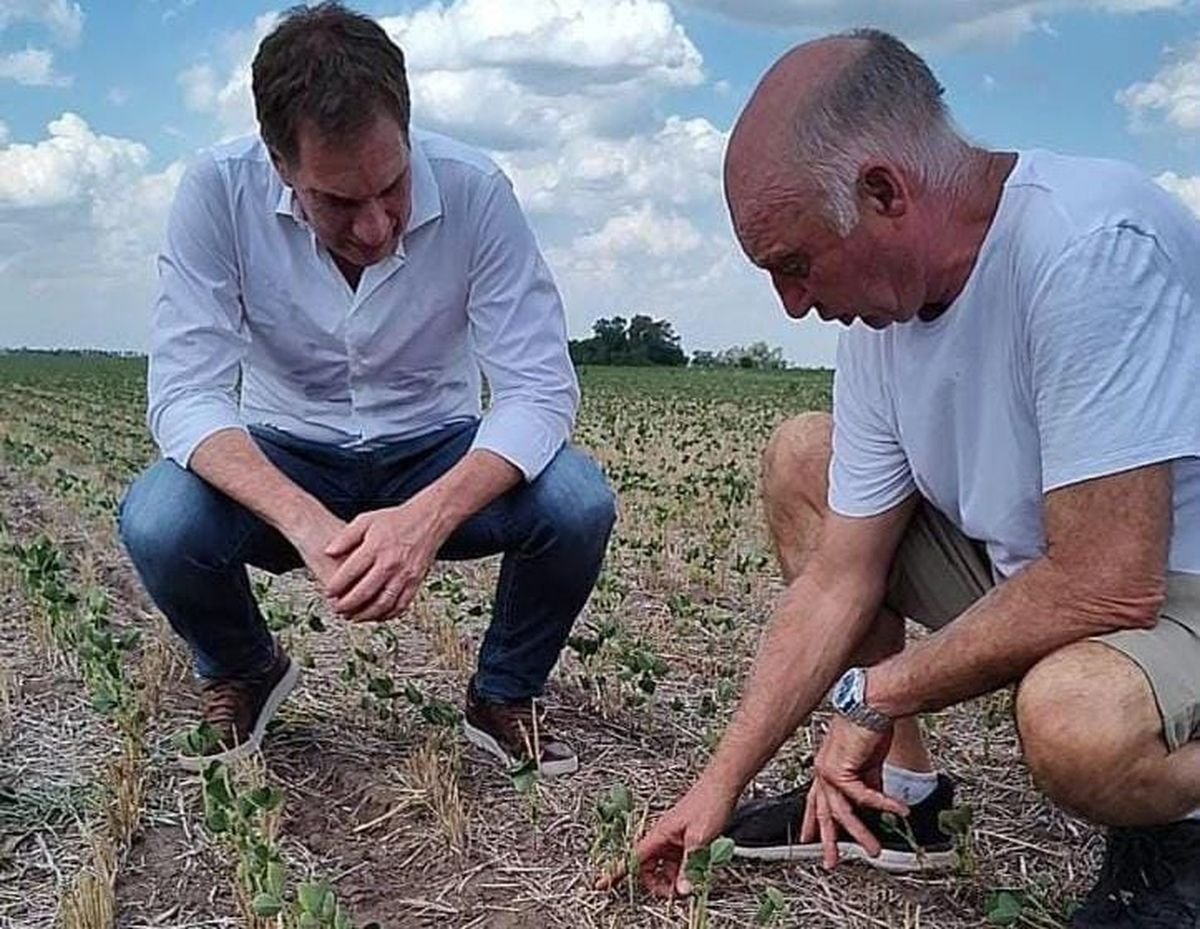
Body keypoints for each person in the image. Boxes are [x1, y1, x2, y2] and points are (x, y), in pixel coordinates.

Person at [624, 29, 1200, 926]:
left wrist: (876, 693)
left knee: (1077, 720)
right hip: (1051, 567)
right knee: (805, 457)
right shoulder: (881, 327)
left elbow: (1108, 577)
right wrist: (714, 787)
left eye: (795, 263)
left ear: (885, 191)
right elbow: (841, 575)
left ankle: (1183, 840)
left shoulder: (1087, 247)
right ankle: (905, 800)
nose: (792, 305)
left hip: (1171, 586)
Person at [118, 2, 615, 778]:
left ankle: (503, 693)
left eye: (392, 184)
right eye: (339, 202)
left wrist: (425, 519)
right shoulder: (217, 192)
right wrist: (306, 522)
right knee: (158, 518)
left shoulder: (477, 191)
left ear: (408, 130)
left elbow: (539, 390)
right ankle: (246, 667)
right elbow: (186, 393)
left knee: (577, 500)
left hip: (434, 445)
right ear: (280, 163)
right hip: (287, 451)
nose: (379, 226)